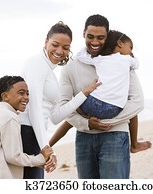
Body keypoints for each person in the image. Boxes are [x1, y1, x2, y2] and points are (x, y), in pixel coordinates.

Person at [48, 14, 145, 179]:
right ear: (83, 34)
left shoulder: (121, 62)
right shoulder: (71, 67)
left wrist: (104, 123)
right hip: (84, 137)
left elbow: (137, 102)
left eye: (101, 37)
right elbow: (64, 106)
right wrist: (87, 124)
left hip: (115, 135)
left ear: (108, 36)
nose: (95, 42)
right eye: (90, 36)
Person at [20, 21, 100, 179]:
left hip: (35, 134)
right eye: (55, 44)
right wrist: (45, 146)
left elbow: (55, 117)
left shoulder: (49, 72)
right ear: (46, 42)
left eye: (65, 47)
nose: (59, 51)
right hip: (26, 133)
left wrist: (83, 94)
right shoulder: (37, 63)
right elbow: (34, 107)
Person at [0, 75, 54, 179]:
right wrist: (41, 158)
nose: (26, 97)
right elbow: (14, 157)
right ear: (5, 96)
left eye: (27, 93)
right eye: (21, 93)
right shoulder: (10, 118)